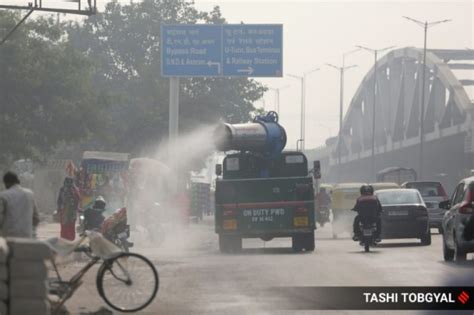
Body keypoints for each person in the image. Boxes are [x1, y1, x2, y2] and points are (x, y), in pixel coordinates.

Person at [0, 171, 40, 238]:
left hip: (9, 238)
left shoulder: (3, 196)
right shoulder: (30, 194)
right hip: (27, 237)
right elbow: (36, 218)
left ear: (7, 183)